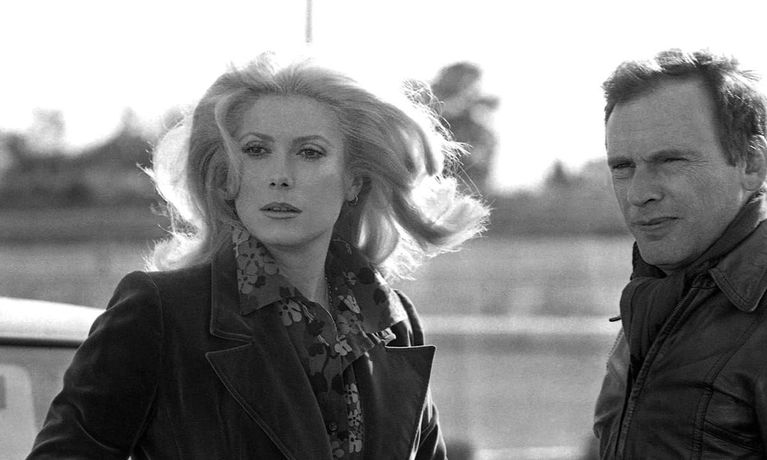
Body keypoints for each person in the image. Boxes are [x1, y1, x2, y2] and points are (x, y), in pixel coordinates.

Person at [27, 52, 489, 459]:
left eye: (309, 152)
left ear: (354, 179)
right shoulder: (162, 311)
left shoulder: (390, 320)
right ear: (227, 174)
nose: (279, 175)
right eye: (256, 151)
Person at [593, 48, 767, 458]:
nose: (639, 194)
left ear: (751, 164)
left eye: (670, 160)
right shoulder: (656, 296)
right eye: (622, 167)